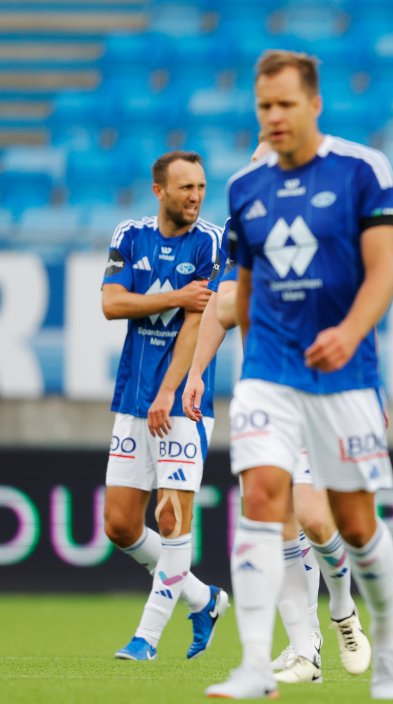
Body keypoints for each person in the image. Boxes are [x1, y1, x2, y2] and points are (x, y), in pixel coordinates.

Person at [204, 50, 393, 700]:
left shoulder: (362, 170)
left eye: (286, 104)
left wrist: (349, 333)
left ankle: (383, 638)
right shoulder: (243, 187)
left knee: (347, 524)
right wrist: (215, 361)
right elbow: (241, 287)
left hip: (344, 373)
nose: (274, 116)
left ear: (314, 104)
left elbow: (383, 271)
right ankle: (258, 664)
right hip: (268, 369)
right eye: (264, 106)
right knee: (262, 498)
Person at [182, 140, 369, 686]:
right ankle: (305, 650)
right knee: (273, 516)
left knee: (313, 515)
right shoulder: (242, 229)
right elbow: (220, 305)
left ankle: (342, 608)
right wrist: (197, 373)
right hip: (263, 390)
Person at [100, 150, 230, 662]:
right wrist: (176, 295)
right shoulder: (129, 236)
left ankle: (146, 638)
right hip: (133, 395)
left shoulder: (212, 243)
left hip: (182, 402)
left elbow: (202, 322)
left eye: (200, 186)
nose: (195, 196)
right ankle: (203, 598)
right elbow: (113, 304)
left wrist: (169, 390)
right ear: (159, 191)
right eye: (185, 188)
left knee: (172, 517)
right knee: (120, 526)